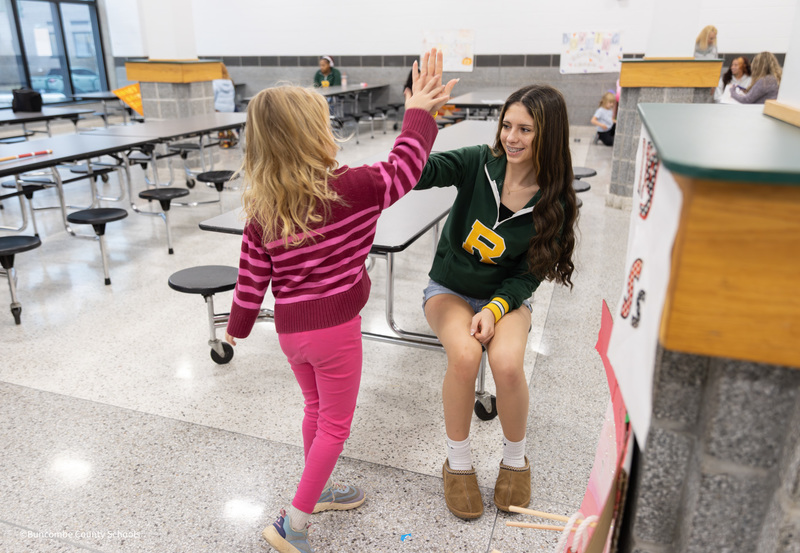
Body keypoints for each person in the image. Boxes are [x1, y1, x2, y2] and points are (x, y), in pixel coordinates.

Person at [224, 49, 457, 553]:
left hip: (291, 333)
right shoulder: (355, 187)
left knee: (314, 408)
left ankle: (321, 488)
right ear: (315, 134)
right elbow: (406, 165)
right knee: (335, 426)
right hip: (335, 332)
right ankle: (295, 525)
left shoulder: (263, 210)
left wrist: (238, 328)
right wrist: (418, 110)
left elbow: (250, 278)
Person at [414, 84, 578, 520]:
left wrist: (495, 308)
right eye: (507, 125)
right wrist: (419, 118)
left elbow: (530, 273)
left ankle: (515, 459)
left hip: (505, 298)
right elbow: (415, 173)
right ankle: (459, 463)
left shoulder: (555, 201)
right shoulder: (476, 163)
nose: (512, 137)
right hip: (448, 288)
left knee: (506, 365)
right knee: (466, 357)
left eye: (526, 129)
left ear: (550, 135)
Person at [213, 63, 237, 147]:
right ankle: (230, 140)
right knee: (227, 126)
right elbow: (233, 95)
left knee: (220, 128)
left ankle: (224, 142)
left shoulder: (215, 82)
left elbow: (213, 96)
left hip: (219, 109)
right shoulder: (229, 81)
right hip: (230, 108)